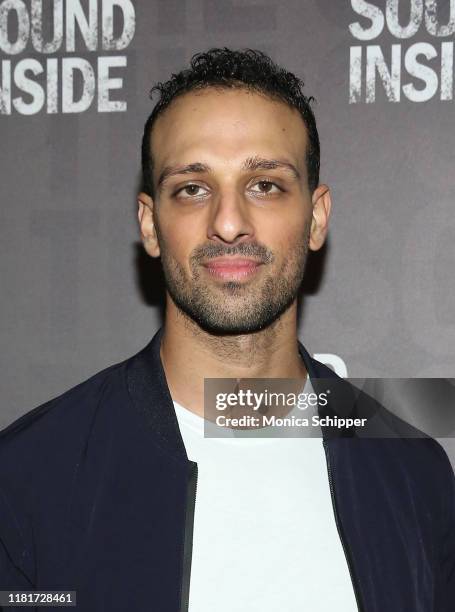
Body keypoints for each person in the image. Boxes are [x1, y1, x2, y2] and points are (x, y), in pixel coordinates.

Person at [0, 48, 453, 612]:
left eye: (264, 184)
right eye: (193, 187)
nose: (230, 222)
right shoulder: (28, 478)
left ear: (316, 218)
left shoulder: (414, 474)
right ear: (149, 223)